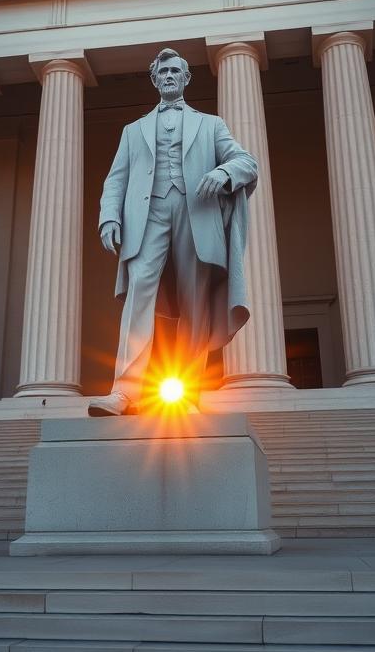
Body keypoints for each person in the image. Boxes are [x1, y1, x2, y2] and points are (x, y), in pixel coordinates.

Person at [90, 48, 257, 416]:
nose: (168, 76)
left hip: (196, 214)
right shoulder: (132, 131)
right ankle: (124, 391)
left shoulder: (211, 124)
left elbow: (246, 162)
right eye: (162, 71)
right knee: (138, 297)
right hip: (146, 218)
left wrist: (223, 173)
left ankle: (187, 394)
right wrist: (109, 216)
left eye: (174, 71)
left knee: (195, 304)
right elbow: (116, 179)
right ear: (154, 79)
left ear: (185, 78)